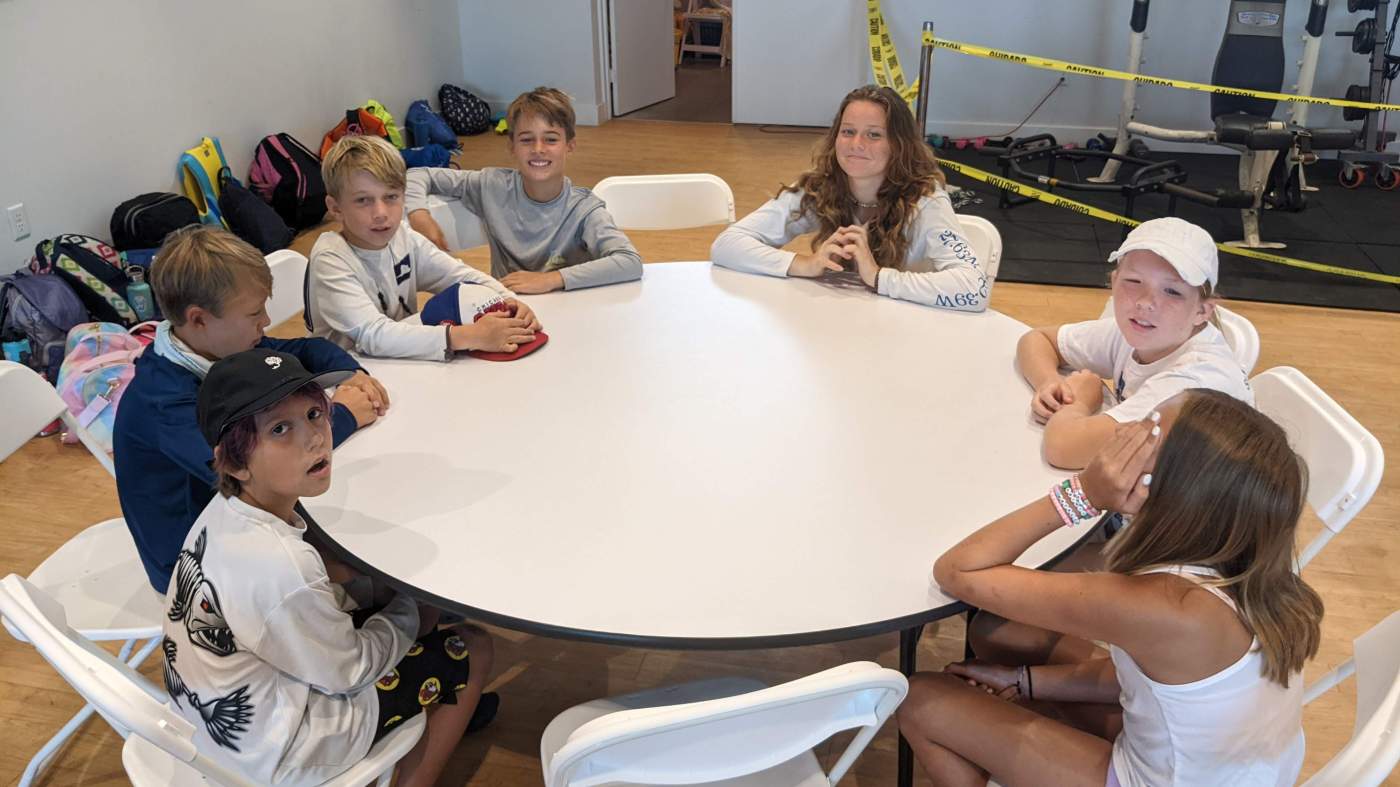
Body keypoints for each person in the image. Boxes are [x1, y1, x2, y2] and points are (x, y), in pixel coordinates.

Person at [896, 390, 1323, 786]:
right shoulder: (1248, 563)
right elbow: (1150, 678)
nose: (1122, 435)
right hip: (1232, 767)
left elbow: (958, 572)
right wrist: (1024, 681)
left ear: (1174, 493)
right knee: (997, 631)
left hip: (1170, 777)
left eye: (1143, 437)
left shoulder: (1168, 606)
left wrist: (1084, 492)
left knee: (921, 699)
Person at [161, 348, 495, 787]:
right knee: (473, 644)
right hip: (282, 752)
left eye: (315, 414)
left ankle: (439, 698)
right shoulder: (280, 565)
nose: (315, 438)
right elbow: (348, 672)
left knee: (380, 597)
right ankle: (438, 712)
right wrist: (412, 607)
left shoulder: (222, 511)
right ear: (234, 461)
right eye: (281, 429)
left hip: (213, 723)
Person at [114, 225, 388, 591]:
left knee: (365, 548)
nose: (266, 323)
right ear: (199, 319)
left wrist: (350, 373)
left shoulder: (222, 346)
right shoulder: (162, 402)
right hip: (192, 563)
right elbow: (251, 468)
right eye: (254, 314)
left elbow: (300, 352)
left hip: (247, 516)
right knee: (365, 572)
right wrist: (344, 415)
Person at [710, 84, 987, 311]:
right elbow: (727, 244)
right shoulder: (820, 186)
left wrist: (879, 277)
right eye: (848, 131)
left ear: (899, 145)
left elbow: (974, 290)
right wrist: (804, 264)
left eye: (874, 135)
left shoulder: (925, 201)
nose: (856, 145)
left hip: (906, 330)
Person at [1016, 217, 1252, 470]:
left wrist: (1081, 401)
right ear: (1114, 282)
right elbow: (1037, 340)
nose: (1145, 302)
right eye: (1134, 281)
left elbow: (1063, 449)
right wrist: (1051, 384)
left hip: (1195, 504)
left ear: (1202, 311)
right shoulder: (1143, 329)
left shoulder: (1194, 382)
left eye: (1172, 291)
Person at [306, 135, 542, 361]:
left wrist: (508, 300)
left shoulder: (403, 236)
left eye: (391, 197)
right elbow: (373, 335)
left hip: (400, 363)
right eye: (363, 200)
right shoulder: (330, 259)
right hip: (348, 378)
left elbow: (460, 276)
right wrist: (469, 335)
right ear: (335, 208)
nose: (380, 213)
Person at [404, 86, 642, 294]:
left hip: (569, 311)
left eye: (550, 139)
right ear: (512, 147)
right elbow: (417, 174)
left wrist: (550, 280)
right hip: (507, 315)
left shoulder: (584, 209)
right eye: (527, 140)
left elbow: (629, 261)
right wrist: (419, 214)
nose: (538, 149)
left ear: (570, 146)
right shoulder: (491, 185)